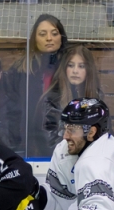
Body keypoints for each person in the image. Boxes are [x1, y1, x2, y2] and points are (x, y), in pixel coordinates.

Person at [5, 14, 68, 156]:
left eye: (54, 33)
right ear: (35, 39)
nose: (49, 38)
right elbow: (11, 111)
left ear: (61, 37)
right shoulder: (21, 69)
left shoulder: (71, 68)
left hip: (63, 144)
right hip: (27, 142)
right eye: (42, 34)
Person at [41, 44, 103, 154]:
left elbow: (104, 135)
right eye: (70, 65)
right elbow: (49, 142)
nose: (75, 71)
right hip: (61, 159)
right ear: (64, 68)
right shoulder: (52, 99)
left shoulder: (97, 97)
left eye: (81, 66)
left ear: (88, 70)